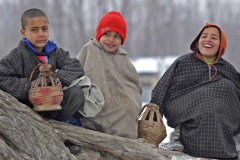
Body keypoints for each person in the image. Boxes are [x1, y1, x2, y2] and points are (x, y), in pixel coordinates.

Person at [151, 23, 240, 159]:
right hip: (186, 119)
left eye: (214, 38)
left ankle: (234, 138)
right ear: (197, 43)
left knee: (227, 87)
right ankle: (178, 136)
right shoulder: (182, 63)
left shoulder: (228, 69)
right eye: (204, 36)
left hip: (222, 126)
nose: (208, 39)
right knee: (211, 94)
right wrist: (152, 118)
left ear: (221, 45)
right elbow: (161, 89)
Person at [0, 8, 85, 130]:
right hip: (30, 110)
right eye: (34, 30)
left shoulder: (55, 52)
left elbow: (75, 66)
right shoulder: (17, 55)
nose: (41, 34)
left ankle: (62, 131)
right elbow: (2, 77)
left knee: (76, 94)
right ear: (23, 33)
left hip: (55, 107)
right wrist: (31, 86)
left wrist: (54, 79)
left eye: (44, 29)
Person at [77, 11, 142, 139]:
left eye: (117, 36)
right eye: (107, 34)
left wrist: (133, 100)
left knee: (126, 109)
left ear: (122, 39)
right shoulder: (90, 50)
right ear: (99, 34)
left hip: (123, 110)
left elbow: (135, 84)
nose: (111, 40)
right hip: (98, 108)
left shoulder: (123, 58)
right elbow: (76, 73)